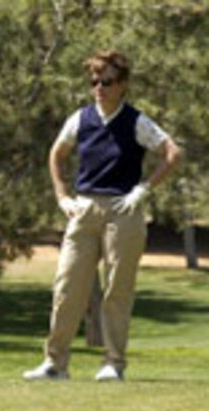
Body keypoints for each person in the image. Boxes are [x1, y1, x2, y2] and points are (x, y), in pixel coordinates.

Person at [24, 50, 182, 382]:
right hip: (83, 209)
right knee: (67, 287)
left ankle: (113, 363)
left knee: (116, 290)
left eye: (107, 81)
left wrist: (143, 189)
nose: (99, 87)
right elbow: (57, 153)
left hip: (123, 211)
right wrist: (62, 196)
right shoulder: (80, 119)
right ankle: (55, 363)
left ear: (122, 85)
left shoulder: (136, 121)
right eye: (94, 81)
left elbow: (172, 153)